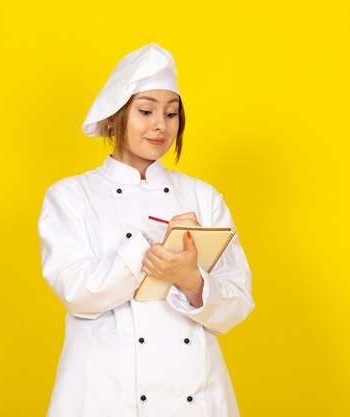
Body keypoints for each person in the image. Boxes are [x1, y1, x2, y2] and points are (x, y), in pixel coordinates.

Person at [38, 43, 255, 417]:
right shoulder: (71, 196)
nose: (161, 125)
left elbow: (237, 303)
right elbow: (76, 292)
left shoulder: (203, 197)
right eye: (146, 111)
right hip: (106, 397)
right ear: (113, 117)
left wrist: (192, 281)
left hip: (195, 399)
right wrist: (149, 251)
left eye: (172, 114)